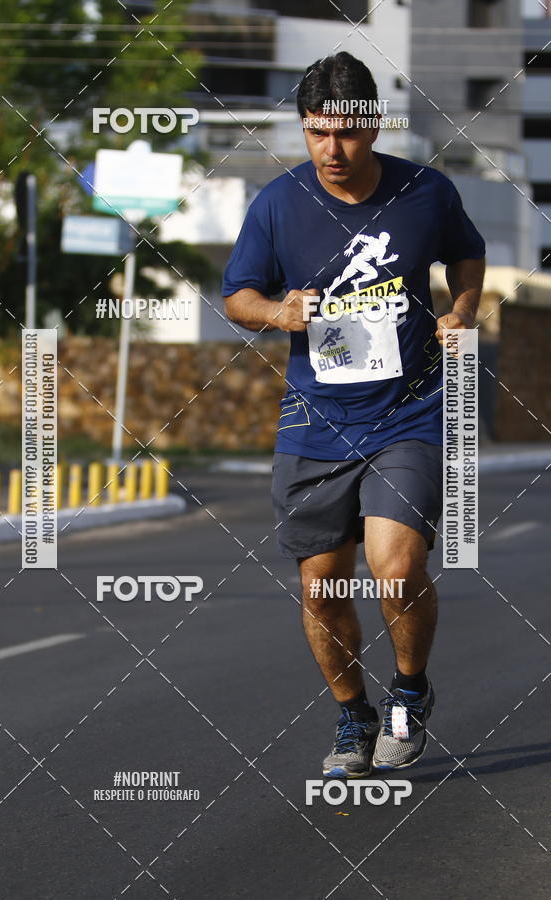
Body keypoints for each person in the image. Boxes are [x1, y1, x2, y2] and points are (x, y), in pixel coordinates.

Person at [222, 52, 485, 776]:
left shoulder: (424, 193)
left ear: (372, 125)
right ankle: (352, 716)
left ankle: (407, 694)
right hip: (315, 420)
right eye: (316, 134)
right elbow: (237, 295)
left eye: (345, 133)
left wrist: (461, 309)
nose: (331, 151)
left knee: (394, 569)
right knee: (322, 585)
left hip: (409, 413)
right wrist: (277, 312)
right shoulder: (277, 204)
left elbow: (467, 253)